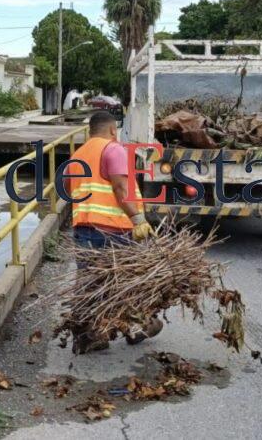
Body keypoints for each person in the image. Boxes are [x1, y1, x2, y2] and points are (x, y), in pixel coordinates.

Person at [66, 110, 163, 353]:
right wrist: (139, 219)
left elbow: (68, 189)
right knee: (125, 282)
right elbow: (121, 188)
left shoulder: (77, 155)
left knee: (89, 282)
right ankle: (136, 327)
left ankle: (91, 335)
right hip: (113, 229)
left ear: (90, 131)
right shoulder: (113, 149)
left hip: (85, 229)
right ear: (112, 129)